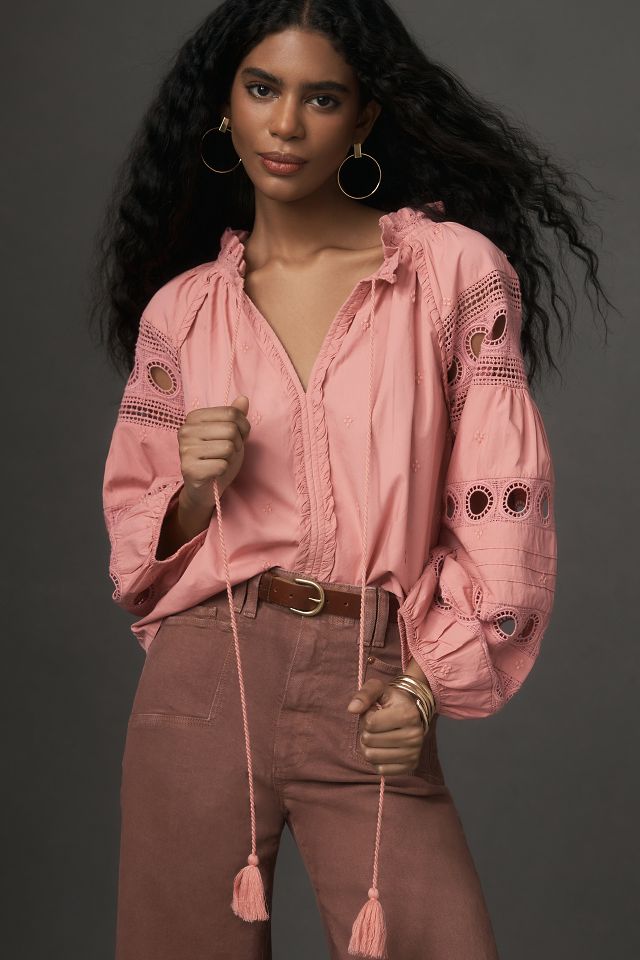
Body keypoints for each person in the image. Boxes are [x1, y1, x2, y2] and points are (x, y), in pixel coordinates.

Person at [89, 2, 612, 958]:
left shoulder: (450, 275)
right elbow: (136, 552)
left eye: (321, 98)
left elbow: (502, 510)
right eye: (262, 89)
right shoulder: (182, 314)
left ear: (364, 118)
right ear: (226, 106)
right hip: (206, 677)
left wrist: (424, 686)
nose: (286, 124)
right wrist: (196, 492)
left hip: (373, 681)